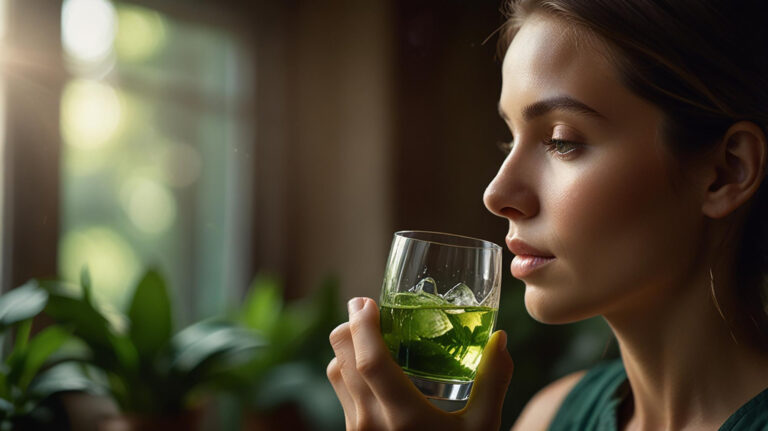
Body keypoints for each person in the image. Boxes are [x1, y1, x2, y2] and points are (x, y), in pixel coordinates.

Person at [326, 0, 768, 429]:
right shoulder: (549, 417)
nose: (496, 194)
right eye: (509, 138)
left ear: (725, 172)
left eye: (562, 141)